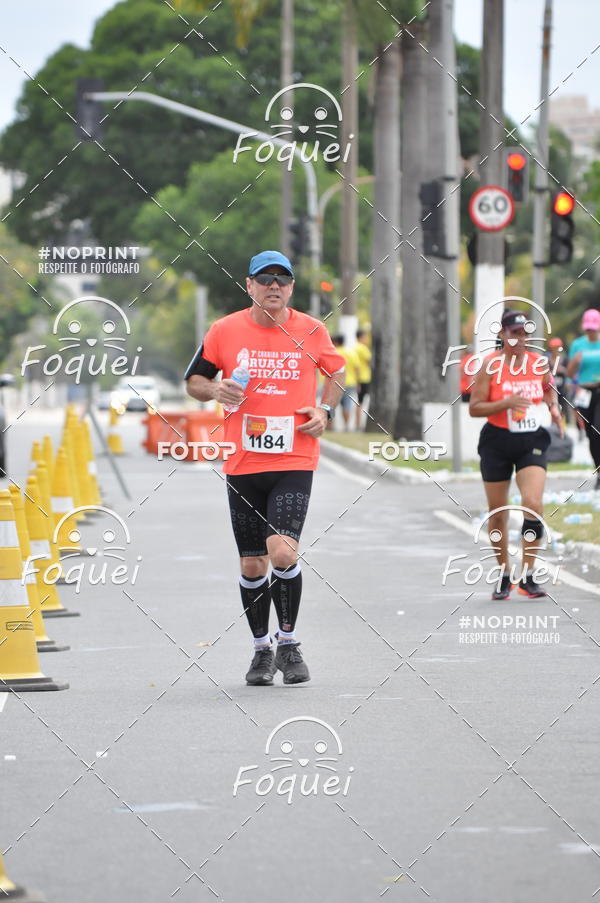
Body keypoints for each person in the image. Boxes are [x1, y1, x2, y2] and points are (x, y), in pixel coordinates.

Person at [184, 251, 345, 686]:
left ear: (291, 287)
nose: (274, 286)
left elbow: (337, 373)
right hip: (243, 463)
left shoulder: (311, 330)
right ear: (249, 284)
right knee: (253, 566)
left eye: (283, 279)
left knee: (283, 553)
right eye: (265, 279)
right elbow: (194, 381)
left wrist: (325, 410)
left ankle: (289, 642)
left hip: (295, 457)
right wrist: (216, 388)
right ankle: (261, 650)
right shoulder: (224, 330)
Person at [469, 310, 563, 600]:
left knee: (533, 504)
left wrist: (553, 407)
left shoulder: (539, 363)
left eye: (524, 333)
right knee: (499, 514)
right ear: (502, 335)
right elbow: (474, 408)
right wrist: (506, 402)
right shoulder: (489, 366)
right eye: (514, 333)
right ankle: (504, 574)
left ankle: (528, 574)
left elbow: (549, 391)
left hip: (531, 440)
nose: (520, 339)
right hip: (497, 440)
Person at [566, 309, 600, 486]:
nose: (590, 332)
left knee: (597, 431)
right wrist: (574, 363)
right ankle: (598, 470)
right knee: (589, 434)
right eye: (588, 329)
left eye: (593, 328)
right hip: (584, 392)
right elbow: (570, 374)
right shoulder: (578, 345)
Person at [331, 334, 360, 430]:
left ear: (335, 342)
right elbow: (357, 368)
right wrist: (358, 382)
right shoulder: (351, 353)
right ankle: (346, 425)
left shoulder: (333, 352)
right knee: (347, 405)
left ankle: (331, 426)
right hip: (350, 383)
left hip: (335, 383)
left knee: (332, 404)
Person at [353, 328, 372, 429]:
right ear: (361, 337)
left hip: (358, 379)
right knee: (361, 402)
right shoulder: (363, 348)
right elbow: (370, 361)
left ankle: (358, 423)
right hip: (364, 378)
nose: (367, 339)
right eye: (366, 337)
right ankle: (359, 424)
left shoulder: (354, 347)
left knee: (359, 402)